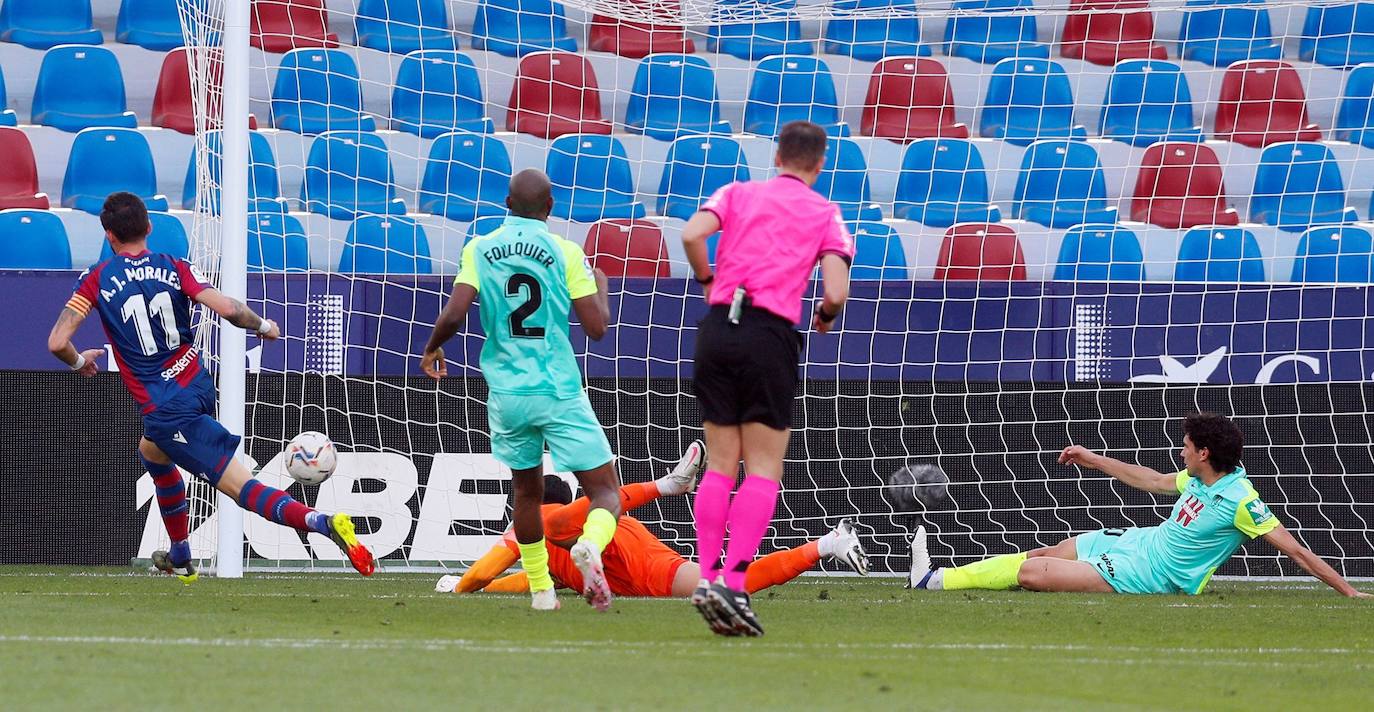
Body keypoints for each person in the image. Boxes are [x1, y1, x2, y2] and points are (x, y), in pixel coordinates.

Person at [47, 192, 374, 582]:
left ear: (109, 236)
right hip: (198, 385)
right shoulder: (175, 267)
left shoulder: (96, 280)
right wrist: (264, 327)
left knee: (241, 488)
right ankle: (181, 553)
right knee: (151, 452)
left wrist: (80, 362)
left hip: (168, 409)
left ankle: (321, 522)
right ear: (149, 227)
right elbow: (230, 310)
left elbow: (56, 342)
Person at [679, 120, 855, 636]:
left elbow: (691, 234)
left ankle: (707, 574)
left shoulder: (736, 192)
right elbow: (836, 292)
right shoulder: (826, 213)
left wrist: (709, 278)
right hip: (768, 337)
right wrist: (823, 316)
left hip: (717, 329)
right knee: (761, 467)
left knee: (719, 464)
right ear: (819, 165)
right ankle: (734, 581)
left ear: (776, 156)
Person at [421, 169, 623, 612]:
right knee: (607, 491)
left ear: (507, 204)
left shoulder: (479, 247)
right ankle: (588, 544)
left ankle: (542, 592)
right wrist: (602, 288)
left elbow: (455, 312)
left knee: (527, 493)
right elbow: (597, 329)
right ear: (550, 208)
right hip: (557, 388)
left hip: (508, 393)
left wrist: (433, 347)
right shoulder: (566, 251)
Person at [908, 413, 1370, 598]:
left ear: (1205, 453)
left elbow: (1296, 550)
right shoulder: (1198, 476)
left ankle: (933, 583)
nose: (1182, 450)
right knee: (1043, 555)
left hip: (1149, 575)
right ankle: (931, 580)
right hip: (1140, 542)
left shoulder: (1242, 501)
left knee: (1032, 576)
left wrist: (1348, 591)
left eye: (1187, 445)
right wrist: (1090, 458)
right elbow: (1148, 480)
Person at [437, 454, 869, 607]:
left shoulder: (534, 523)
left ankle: (668, 485)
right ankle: (826, 543)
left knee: (728, 586)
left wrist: (462, 587)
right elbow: (522, 582)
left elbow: (484, 571)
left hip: (627, 557)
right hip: (622, 543)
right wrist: (473, 586)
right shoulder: (547, 555)